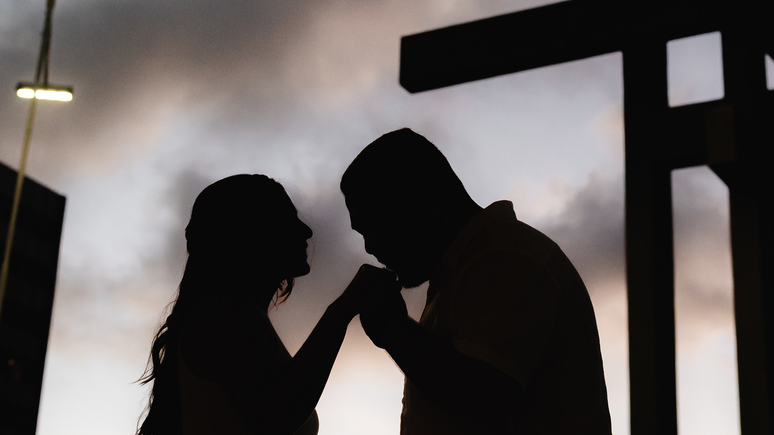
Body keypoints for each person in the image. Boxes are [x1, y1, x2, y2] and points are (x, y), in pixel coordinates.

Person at [341, 128, 612, 435]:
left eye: (379, 221)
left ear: (431, 196)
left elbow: (483, 392)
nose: (370, 245)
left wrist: (392, 328)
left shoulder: (506, 258)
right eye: (363, 231)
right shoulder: (469, 268)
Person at [138, 174, 383, 435]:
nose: (306, 231)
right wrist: (342, 310)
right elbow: (274, 416)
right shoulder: (223, 313)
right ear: (253, 232)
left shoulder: (232, 315)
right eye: (289, 219)